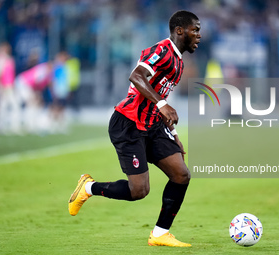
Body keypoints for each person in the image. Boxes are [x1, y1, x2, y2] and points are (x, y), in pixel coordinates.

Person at [68, 10, 201, 247]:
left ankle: (160, 234)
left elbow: (161, 94)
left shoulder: (179, 61)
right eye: (195, 30)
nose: (199, 35)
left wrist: (174, 134)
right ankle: (88, 187)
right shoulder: (161, 50)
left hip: (153, 126)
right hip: (128, 123)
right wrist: (162, 104)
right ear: (180, 31)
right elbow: (136, 76)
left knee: (181, 175)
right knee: (139, 190)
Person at [0, 42, 18, 134]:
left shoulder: (8, 59)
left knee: (5, 106)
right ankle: (6, 126)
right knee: (10, 105)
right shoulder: (2, 59)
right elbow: (0, 73)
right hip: (5, 86)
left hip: (9, 85)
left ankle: (7, 126)